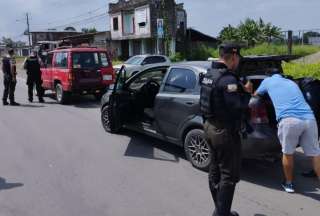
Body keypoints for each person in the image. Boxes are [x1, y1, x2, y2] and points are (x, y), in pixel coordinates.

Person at [200, 43, 252, 216]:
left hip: (209, 127)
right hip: (224, 132)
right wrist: (247, 94)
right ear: (234, 56)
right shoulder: (228, 79)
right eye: (238, 59)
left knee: (215, 170)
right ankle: (222, 213)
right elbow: (237, 108)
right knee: (228, 177)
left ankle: (220, 210)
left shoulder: (210, 74)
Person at [254, 71, 320, 193]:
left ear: (269, 75)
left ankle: (289, 184)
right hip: (309, 119)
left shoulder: (267, 81)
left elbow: (255, 96)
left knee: (288, 152)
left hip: (289, 120)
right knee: (315, 153)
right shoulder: (291, 82)